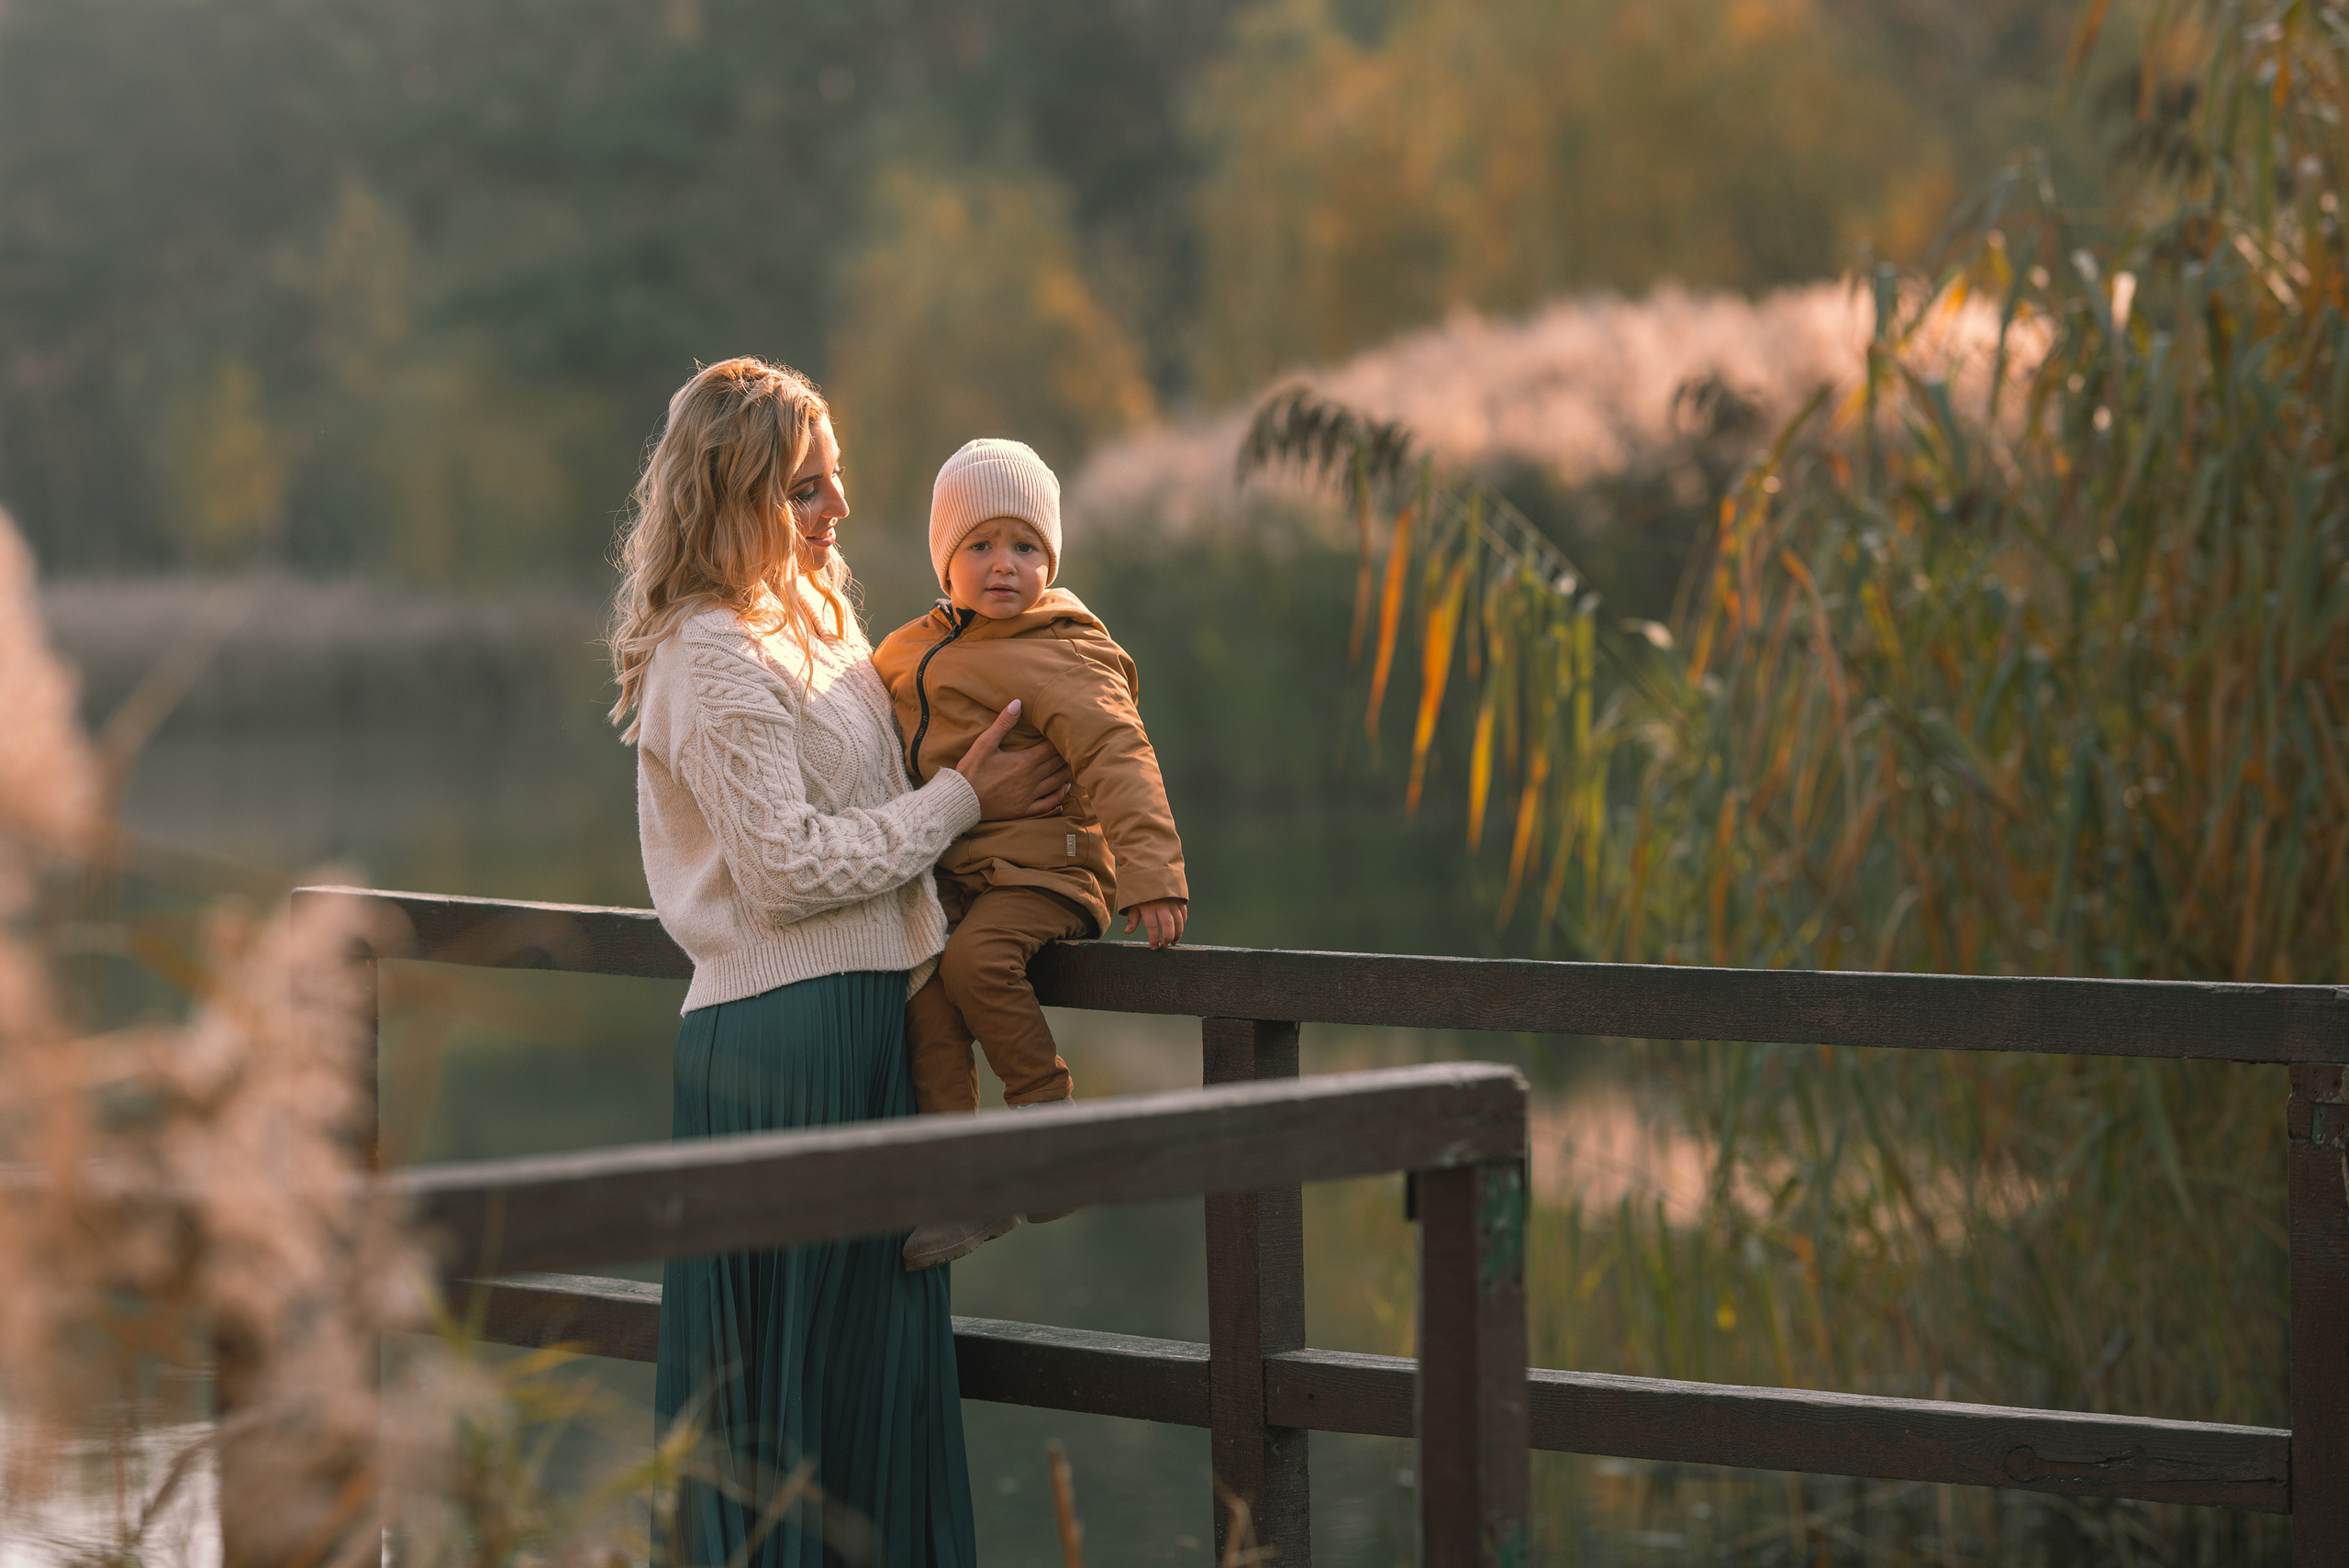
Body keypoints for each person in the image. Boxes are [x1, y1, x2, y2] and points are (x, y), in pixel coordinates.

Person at [607, 360, 1070, 1566]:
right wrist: (962, 802)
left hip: (875, 1034)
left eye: (839, 480)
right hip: (779, 1050)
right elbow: (787, 870)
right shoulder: (707, 656)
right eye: (811, 488)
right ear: (741, 493)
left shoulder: (814, 622)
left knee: (882, 1385)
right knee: (782, 1408)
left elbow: (889, 801)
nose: (839, 511)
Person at [871, 439, 1188, 1272]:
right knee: (927, 995)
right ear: (945, 561)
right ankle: (958, 1184)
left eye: (1025, 546)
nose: (1003, 564)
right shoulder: (908, 650)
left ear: (1051, 557)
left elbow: (1119, 754)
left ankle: (1050, 1125)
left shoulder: (1060, 647)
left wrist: (1153, 877)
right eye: (979, 545)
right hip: (961, 876)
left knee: (975, 963)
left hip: (1050, 870)